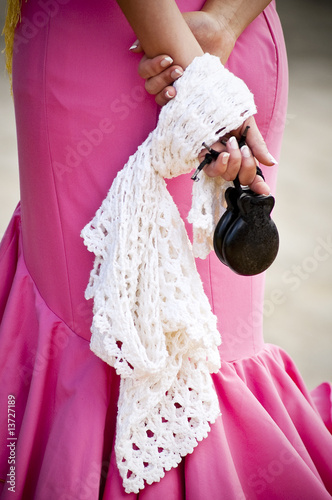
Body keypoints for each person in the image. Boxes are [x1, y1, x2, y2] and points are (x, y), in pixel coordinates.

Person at [0, 0, 331, 499]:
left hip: (136, 52)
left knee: (197, 344)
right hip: (220, 52)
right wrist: (218, 31)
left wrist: (203, 62)